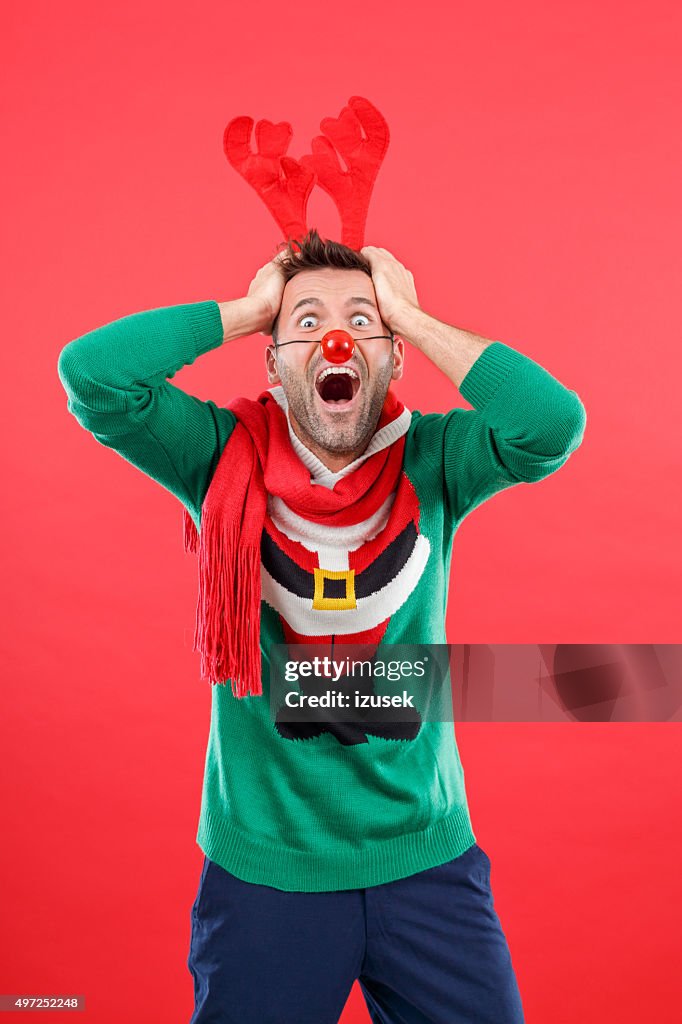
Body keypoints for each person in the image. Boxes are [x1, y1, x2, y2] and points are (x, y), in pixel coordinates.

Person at [57, 228, 586, 1023]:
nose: (335, 336)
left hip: (426, 864)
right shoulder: (214, 454)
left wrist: (412, 314)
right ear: (273, 365)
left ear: (393, 355)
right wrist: (246, 311)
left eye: (362, 321)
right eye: (305, 324)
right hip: (266, 875)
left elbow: (551, 426)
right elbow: (93, 378)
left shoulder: (437, 459)